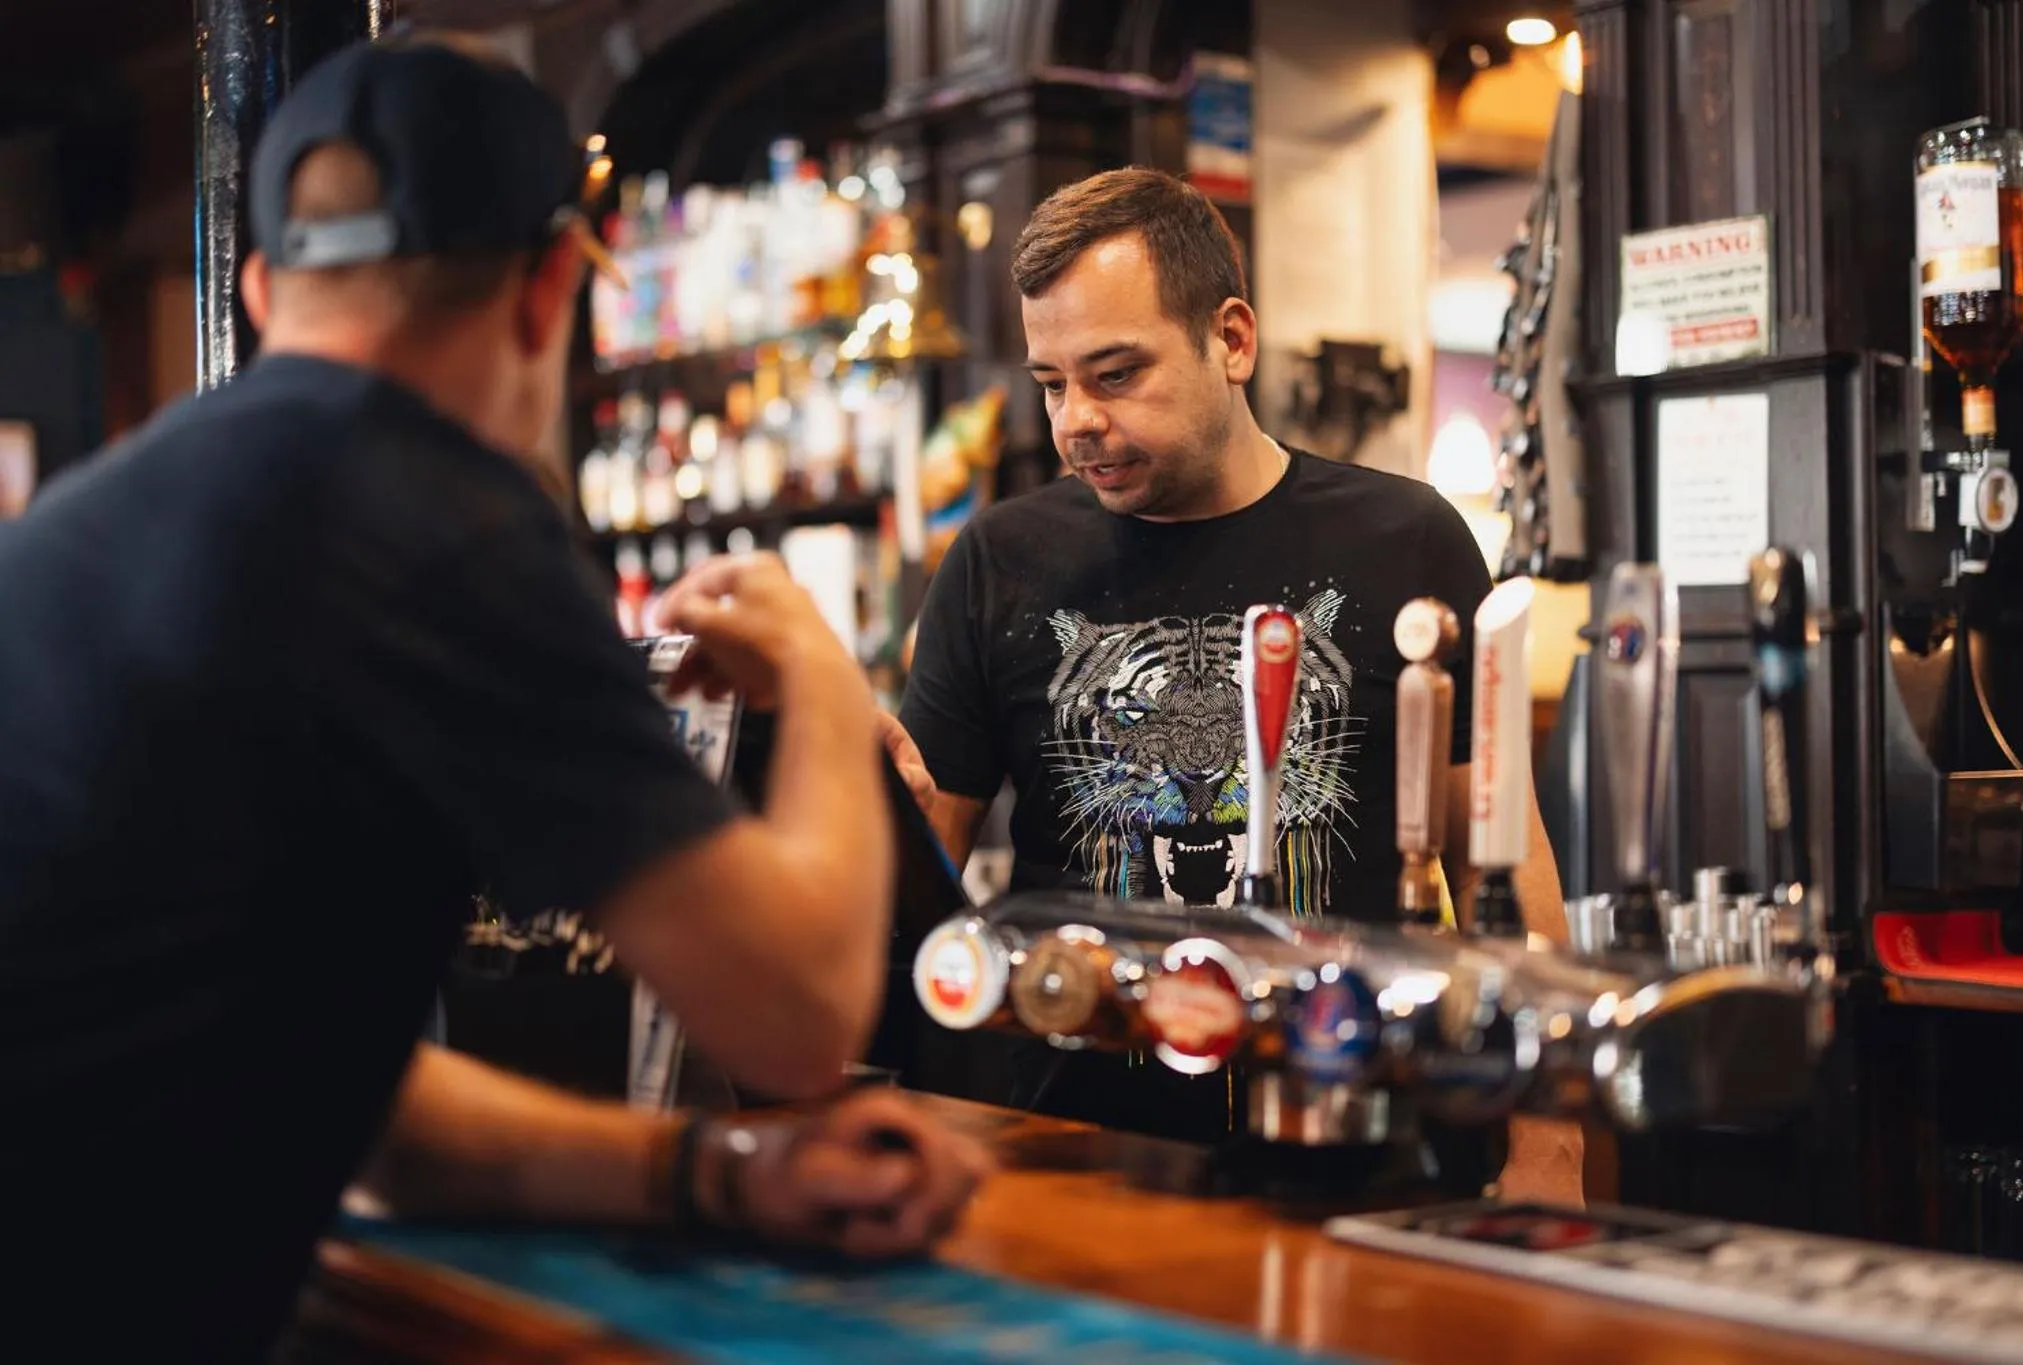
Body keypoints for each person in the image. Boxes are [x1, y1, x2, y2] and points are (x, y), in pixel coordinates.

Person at [0, 35, 984, 1363]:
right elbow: (799, 1013)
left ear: (262, 287)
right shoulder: (440, 522)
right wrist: (815, 666)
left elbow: (357, 1106)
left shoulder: (81, 526)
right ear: (549, 291)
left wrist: (706, 1170)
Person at [886, 167, 1582, 1203]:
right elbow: (914, 881)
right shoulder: (998, 561)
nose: (1074, 418)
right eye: (1050, 382)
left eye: (1114, 373)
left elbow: (1500, 859)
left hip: (1361, 1143)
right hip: (1071, 1156)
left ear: (1232, 340)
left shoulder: (1401, 538)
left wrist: (1547, 1150)